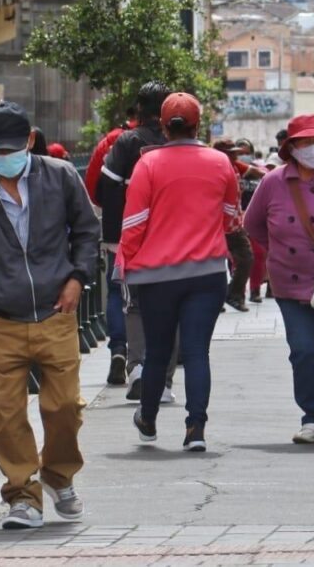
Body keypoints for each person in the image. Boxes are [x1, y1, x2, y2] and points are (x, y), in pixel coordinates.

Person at [0, 101, 100, 530]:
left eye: (12, 149)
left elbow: (88, 231)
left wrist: (77, 279)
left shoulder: (60, 176)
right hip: (1, 317)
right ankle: (22, 495)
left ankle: (58, 475)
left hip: (56, 311)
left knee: (64, 405)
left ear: (30, 140)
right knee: (4, 413)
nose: (5, 159)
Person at [120, 93, 240, 452]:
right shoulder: (221, 162)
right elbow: (232, 217)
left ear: (162, 125)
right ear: (197, 125)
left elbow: (135, 222)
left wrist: (125, 261)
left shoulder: (148, 164)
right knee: (197, 352)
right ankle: (195, 429)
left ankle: (149, 419)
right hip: (207, 273)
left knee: (158, 352)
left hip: (156, 276)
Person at [245, 115, 314, 444]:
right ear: (291, 148)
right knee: (304, 350)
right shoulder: (273, 182)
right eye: (305, 142)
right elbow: (252, 225)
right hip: (290, 282)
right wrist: (279, 250)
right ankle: (311, 415)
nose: (312, 148)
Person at [99, 83, 170, 395]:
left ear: (139, 108)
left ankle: (133, 361)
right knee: (170, 305)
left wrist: (116, 233)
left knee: (129, 301)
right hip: (172, 237)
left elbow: (105, 188)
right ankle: (164, 378)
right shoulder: (178, 142)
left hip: (131, 236)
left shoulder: (128, 141)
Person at [213, 138, 258, 312]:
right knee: (215, 264)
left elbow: (256, 172)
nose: (235, 156)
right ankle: (218, 299)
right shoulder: (214, 171)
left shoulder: (235, 167)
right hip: (217, 224)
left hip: (234, 225)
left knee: (246, 259)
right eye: (230, 153)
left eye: (235, 153)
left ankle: (233, 294)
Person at [235, 138, 268, 304]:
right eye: (239, 153)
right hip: (234, 219)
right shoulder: (231, 169)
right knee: (235, 257)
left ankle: (255, 289)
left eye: (246, 152)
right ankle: (237, 292)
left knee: (258, 254)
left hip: (254, 218)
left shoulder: (259, 170)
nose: (243, 155)